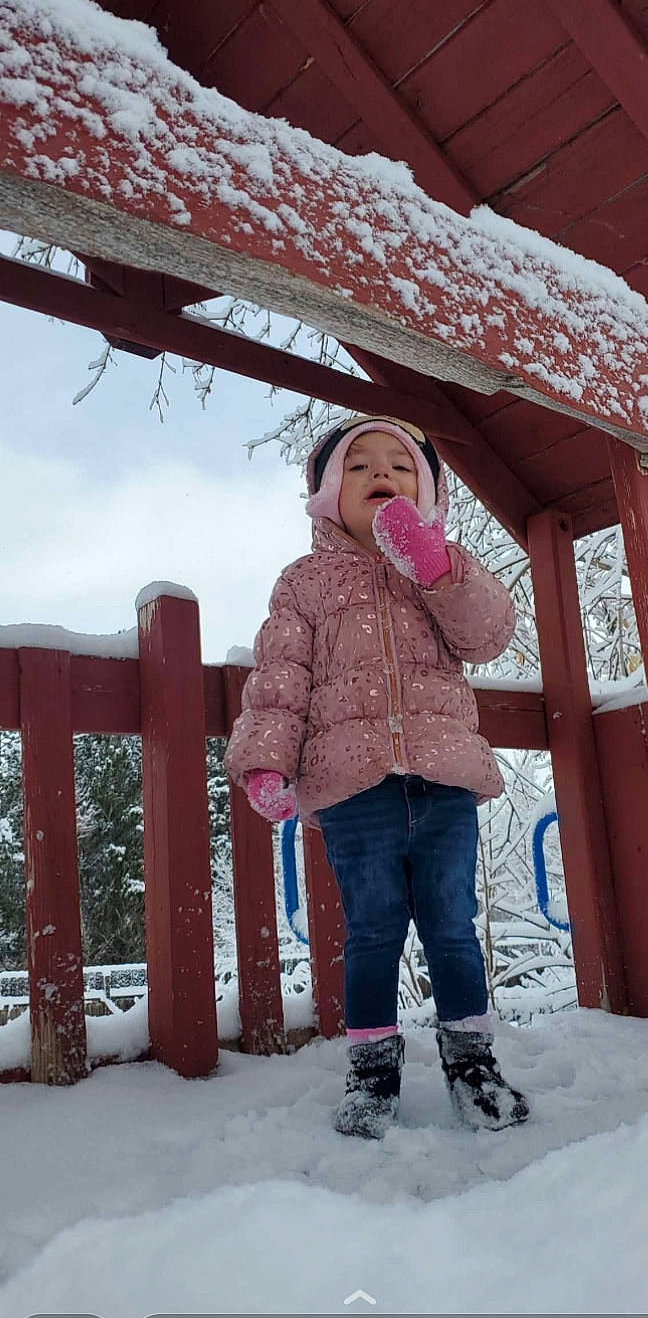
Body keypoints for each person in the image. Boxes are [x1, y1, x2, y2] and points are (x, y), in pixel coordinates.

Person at [224, 415, 529, 1140]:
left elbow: (487, 635)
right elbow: (281, 677)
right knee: (372, 930)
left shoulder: (440, 568)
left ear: (424, 492)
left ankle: (472, 1062)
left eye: (399, 465)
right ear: (330, 494)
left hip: (443, 778)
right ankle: (372, 1071)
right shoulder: (304, 584)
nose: (380, 474)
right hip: (355, 786)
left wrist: (438, 569)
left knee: (452, 927)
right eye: (359, 467)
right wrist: (267, 758)